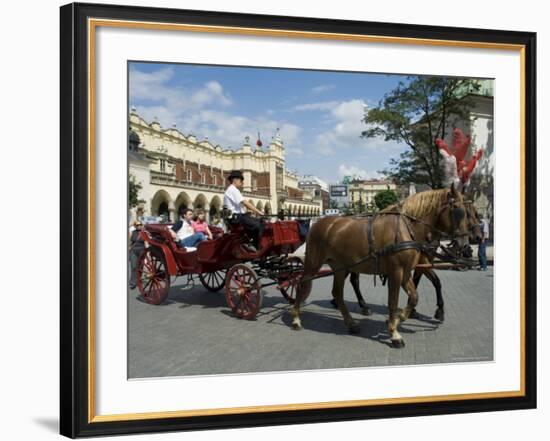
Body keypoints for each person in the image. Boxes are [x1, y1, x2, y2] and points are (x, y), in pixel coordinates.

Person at [223, 170, 264, 252]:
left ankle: (251, 242)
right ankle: (254, 245)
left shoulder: (233, 190)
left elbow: (237, 206)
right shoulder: (233, 189)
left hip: (238, 216)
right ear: (235, 180)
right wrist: (258, 211)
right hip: (236, 218)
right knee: (258, 225)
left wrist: (248, 212)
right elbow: (244, 202)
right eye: (241, 180)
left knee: (260, 222)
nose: (242, 183)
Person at [129, 221, 145, 289]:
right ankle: (133, 282)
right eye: (137, 225)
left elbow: (146, 242)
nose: (139, 226)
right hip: (134, 250)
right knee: (133, 266)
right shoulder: (133, 232)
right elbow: (130, 241)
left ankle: (138, 280)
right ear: (135, 226)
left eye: (140, 224)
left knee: (140, 266)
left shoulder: (144, 232)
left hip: (142, 250)